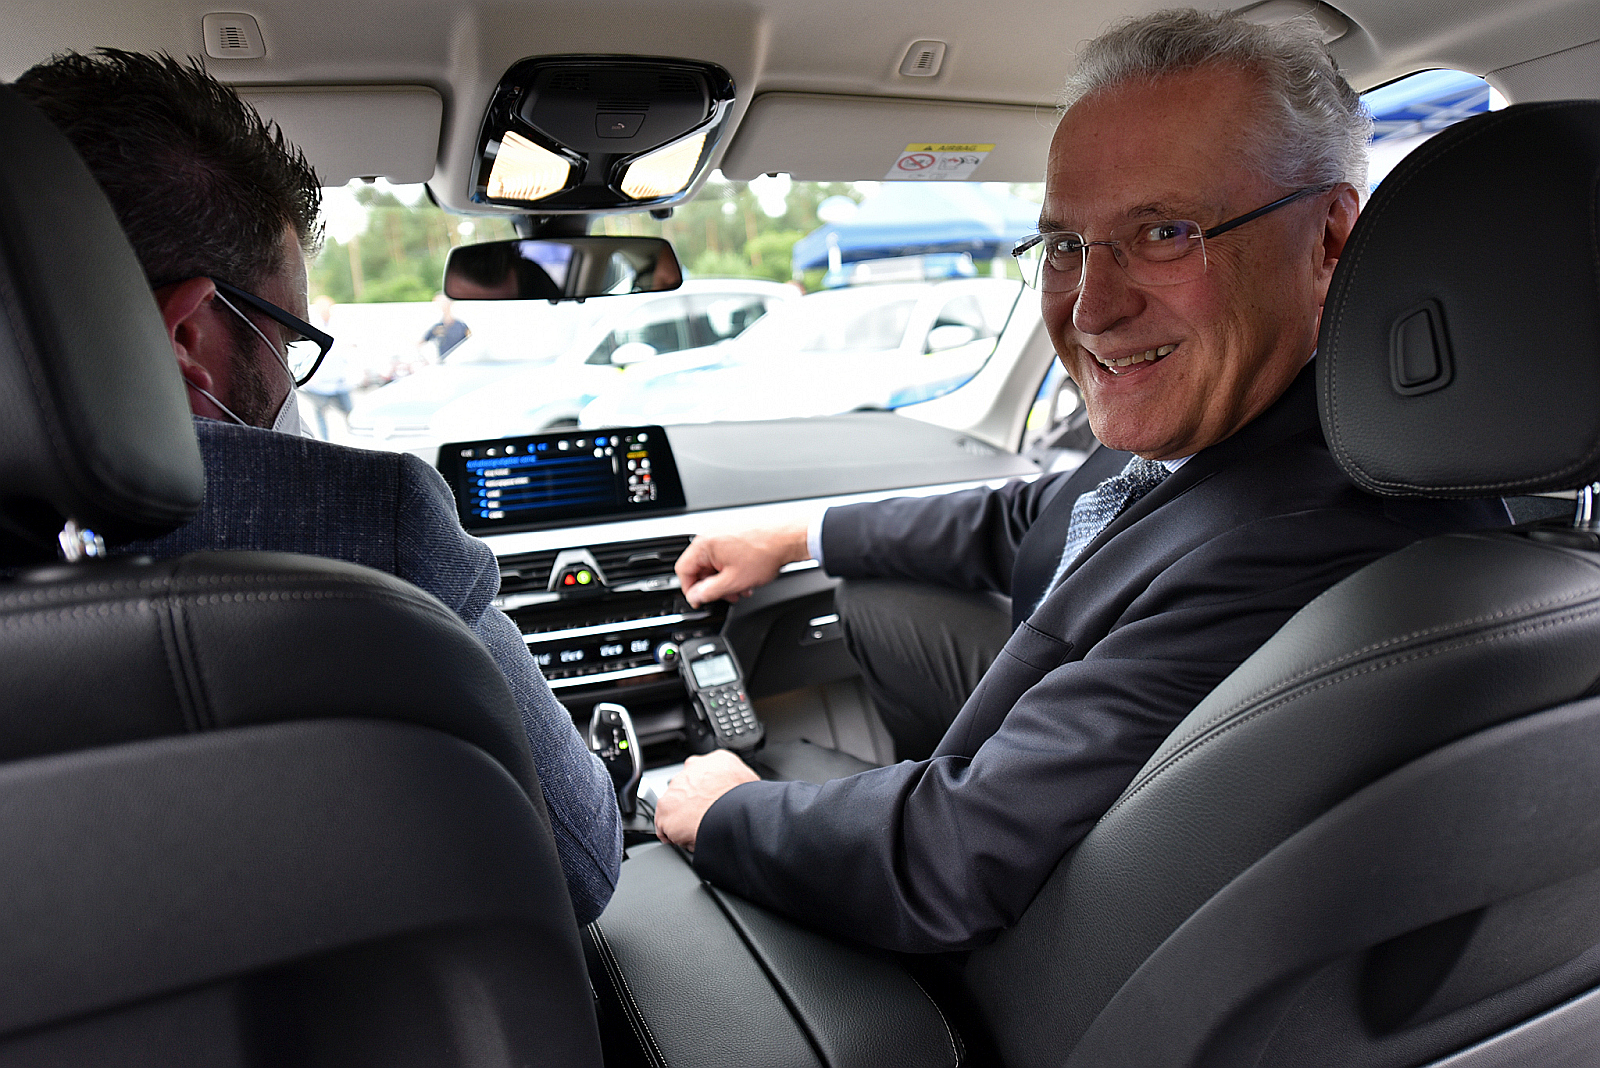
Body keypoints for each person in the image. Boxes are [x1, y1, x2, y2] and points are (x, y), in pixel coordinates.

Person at [654, 9, 1509, 953]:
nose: (1093, 308)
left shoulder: (1304, 537)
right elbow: (1027, 514)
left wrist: (728, 809)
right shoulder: (1245, 424)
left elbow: (950, 860)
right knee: (871, 595)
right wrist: (796, 539)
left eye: (1166, 232)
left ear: (1330, 238)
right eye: (1065, 244)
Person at [13, 50, 623, 925]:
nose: (293, 376)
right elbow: (584, 865)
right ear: (187, 333)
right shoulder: (369, 531)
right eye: (289, 342)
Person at [300, 295, 356, 439]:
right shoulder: (312, 324)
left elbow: (349, 346)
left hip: (340, 378)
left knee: (349, 411)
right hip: (319, 380)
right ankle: (325, 440)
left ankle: (355, 436)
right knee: (321, 413)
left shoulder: (340, 323)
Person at [420, 292, 471, 360]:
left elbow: (471, 342)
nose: (442, 305)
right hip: (444, 362)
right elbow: (422, 342)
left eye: (444, 302)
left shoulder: (462, 326)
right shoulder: (436, 327)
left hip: (461, 361)